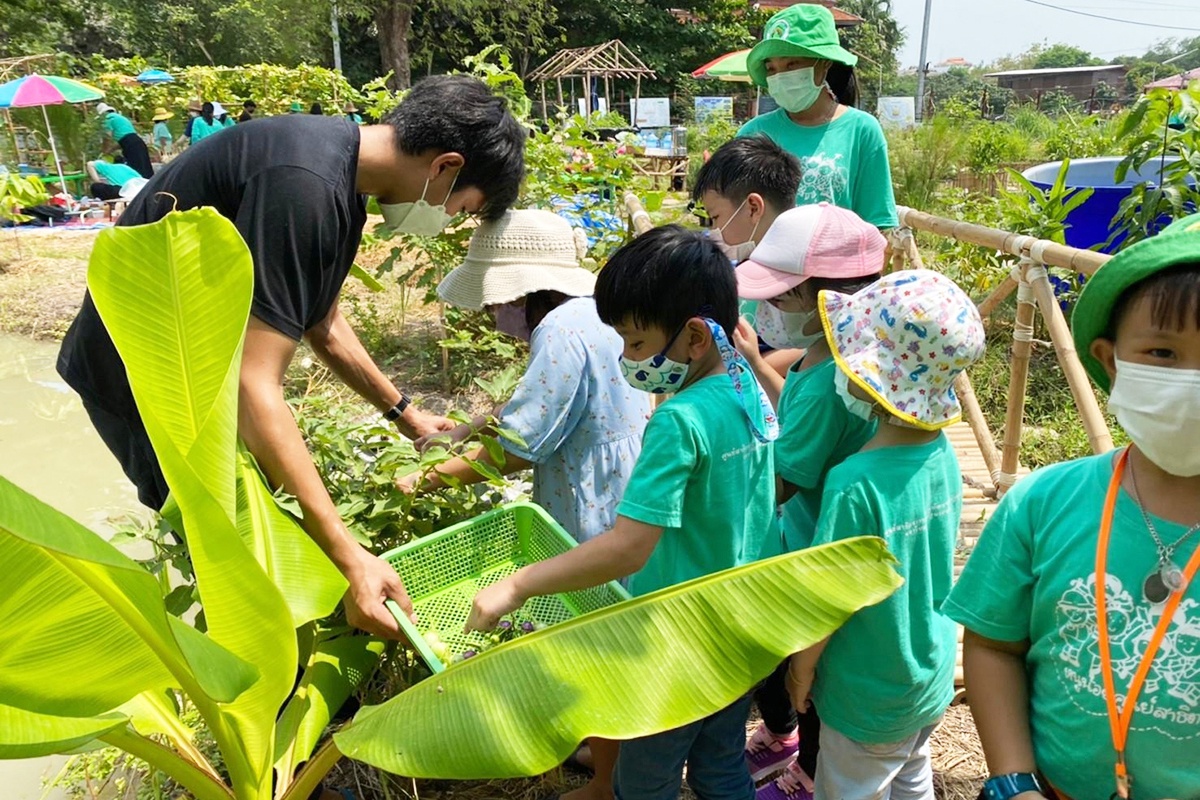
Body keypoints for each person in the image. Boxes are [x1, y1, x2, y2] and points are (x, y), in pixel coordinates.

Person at [57, 75, 527, 641]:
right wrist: (352, 557)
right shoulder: (303, 183)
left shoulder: (340, 172)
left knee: (263, 529)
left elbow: (319, 321)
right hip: (143, 382)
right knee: (228, 548)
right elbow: (256, 387)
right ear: (445, 166)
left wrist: (405, 415)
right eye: (461, 206)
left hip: (195, 376)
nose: (447, 218)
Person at [467, 225, 777, 800]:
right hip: (740, 626)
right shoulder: (747, 389)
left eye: (635, 344)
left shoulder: (678, 421)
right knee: (720, 765)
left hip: (674, 639)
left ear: (694, 338)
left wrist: (518, 585)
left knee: (643, 779)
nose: (627, 359)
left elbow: (628, 546)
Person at [943, 214, 1200, 800]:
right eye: (1163, 351)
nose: (1193, 381)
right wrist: (1013, 780)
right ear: (1111, 361)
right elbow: (993, 645)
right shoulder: (1043, 503)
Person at [785, 270, 984, 800]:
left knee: (848, 787)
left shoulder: (854, 483)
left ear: (873, 375)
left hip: (866, 687)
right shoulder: (942, 455)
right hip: (928, 667)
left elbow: (829, 596)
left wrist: (802, 668)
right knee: (912, 772)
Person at [731, 203, 885, 800]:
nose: (769, 310)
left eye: (781, 297)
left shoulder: (824, 377)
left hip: (822, 541)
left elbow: (784, 477)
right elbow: (802, 420)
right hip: (827, 528)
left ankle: (811, 772)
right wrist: (753, 364)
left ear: (825, 296)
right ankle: (800, 751)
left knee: (814, 679)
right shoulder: (842, 354)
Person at [399, 209, 648, 545]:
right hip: (626, 481)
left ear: (519, 295)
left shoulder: (559, 331)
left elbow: (519, 448)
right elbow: (539, 407)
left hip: (592, 496)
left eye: (496, 306)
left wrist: (424, 479)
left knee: (591, 589)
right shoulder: (594, 311)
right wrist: (464, 430)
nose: (496, 316)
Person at [740, 4, 897, 230]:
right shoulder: (752, 134)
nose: (780, 76)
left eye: (791, 64)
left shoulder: (861, 130)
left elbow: (877, 224)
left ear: (824, 64)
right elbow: (737, 216)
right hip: (761, 264)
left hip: (841, 264)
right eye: (772, 68)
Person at [691, 134, 802, 377]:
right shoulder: (746, 259)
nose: (714, 231)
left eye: (716, 218)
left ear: (753, 207)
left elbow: (816, 346)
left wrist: (743, 373)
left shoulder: (806, 269)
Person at [95, 102, 153, 178]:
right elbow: (124, 138)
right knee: (145, 167)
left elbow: (107, 136)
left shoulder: (108, 119)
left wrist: (105, 150)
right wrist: (111, 149)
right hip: (138, 141)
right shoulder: (121, 118)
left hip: (130, 145)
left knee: (135, 170)